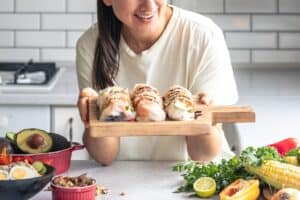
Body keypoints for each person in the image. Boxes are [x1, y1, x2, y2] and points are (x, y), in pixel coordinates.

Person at [76, 0, 238, 165]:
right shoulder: (91, 45)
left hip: (195, 177)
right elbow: (105, 156)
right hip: (123, 180)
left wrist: (205, 122)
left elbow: (202, 154)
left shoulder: (203, 36)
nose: (149, 5)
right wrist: (92, 121)